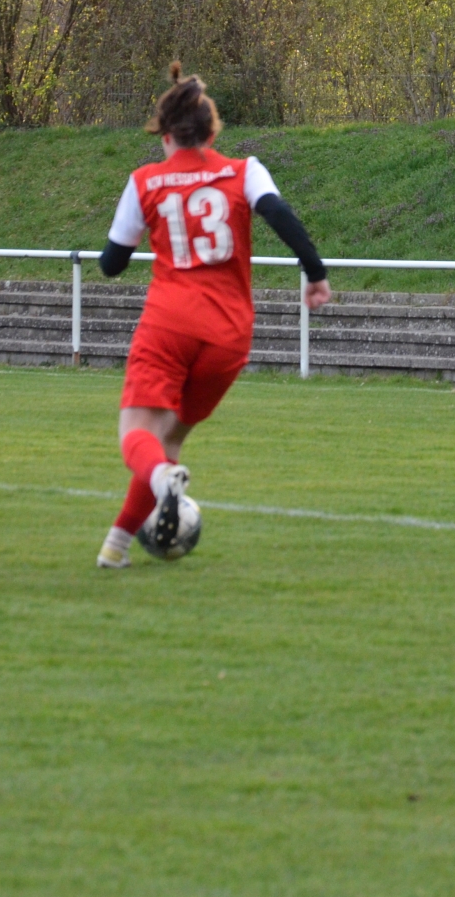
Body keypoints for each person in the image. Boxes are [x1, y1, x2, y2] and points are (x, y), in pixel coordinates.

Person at [93, 62, 331, 569]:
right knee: (170, 439)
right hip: (228, 334)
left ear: (164, 135)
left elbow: (112, 264)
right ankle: (116, 546)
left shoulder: (145, 181)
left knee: (137, 435)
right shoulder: (245, 170)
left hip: (170, 322)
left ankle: (162, 481)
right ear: (212, 132)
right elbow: (278, 213)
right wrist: (315, 273)